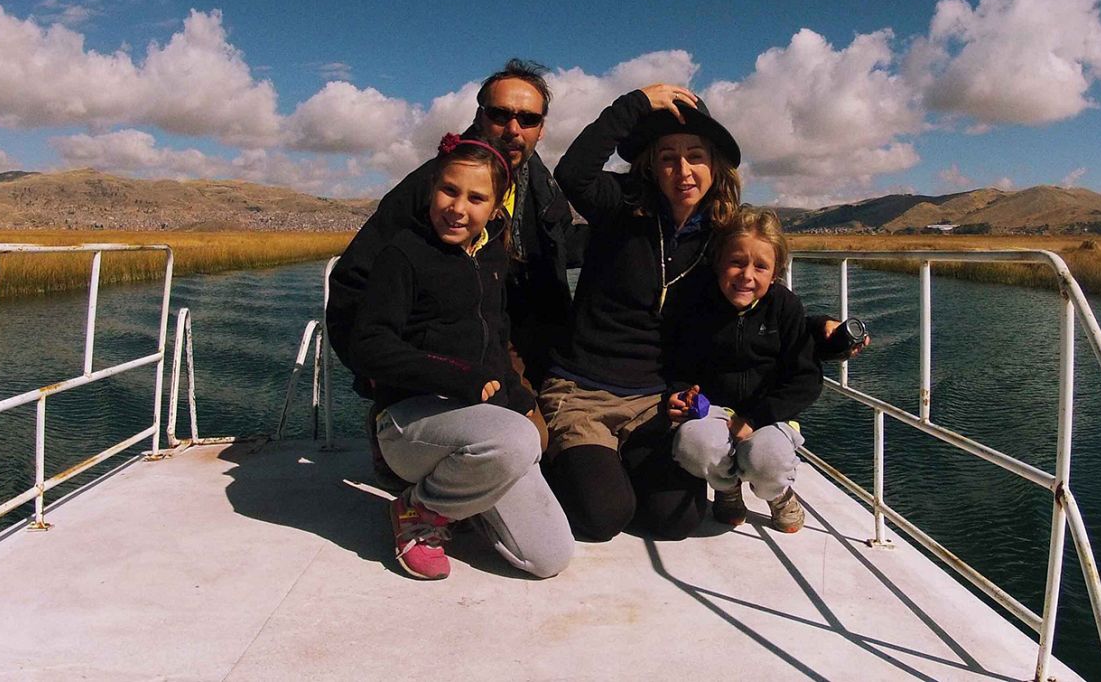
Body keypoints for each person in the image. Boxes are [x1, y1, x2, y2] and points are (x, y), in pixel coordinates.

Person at [328, 59, 581, 477]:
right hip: (436, 347)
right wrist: (374, 374)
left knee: (546, 460)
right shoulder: (434, 188)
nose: (513, 129)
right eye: (500, 114)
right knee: (502, 453)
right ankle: (391, 437)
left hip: (507, 340)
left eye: (528, 118)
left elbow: (557, 249)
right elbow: (354, 277)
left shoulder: (540, 187)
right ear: (480, 116)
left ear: (541, 127)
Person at [349, 133, 572, 581]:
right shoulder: (404, 254)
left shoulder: (490, 256)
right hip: (408, 423)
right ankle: (419, 511)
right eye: (449, 190)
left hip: (477, 424)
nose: (458, 208)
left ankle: (463, 500)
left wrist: (517, 395)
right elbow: (369, 346)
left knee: (549, 558)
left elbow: (495, 337)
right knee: (516, 440)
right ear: (432, 189)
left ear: (495, 207)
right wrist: (455, 377)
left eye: (476, 198)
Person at [540, 84, 740, 542]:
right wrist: (632, 105)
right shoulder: (621, 204)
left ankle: (608, 466)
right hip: (584, 392)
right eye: (668, 157)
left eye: (695, 156)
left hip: (653, 403)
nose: (683, 170)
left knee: (678, 519)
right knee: (604, 517)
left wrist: (819, 332)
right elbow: (573, 173)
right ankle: (563, 459)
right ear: (650, 165)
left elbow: (752, 303)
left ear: (715, 165)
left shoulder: (721, 235)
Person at [666, 207, 821, 533]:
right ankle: (727, 489)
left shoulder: (785, 308)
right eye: (737, 262)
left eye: (760, 266)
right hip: (713, 409)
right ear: (718, 261)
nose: (747, 275)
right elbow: (677, 362)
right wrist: (679, 393)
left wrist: (755, 418)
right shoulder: (696, 304)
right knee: (693, 444)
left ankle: (777, 494)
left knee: (767, 459)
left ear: (775, 272)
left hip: (769, 414)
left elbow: (806, 379)